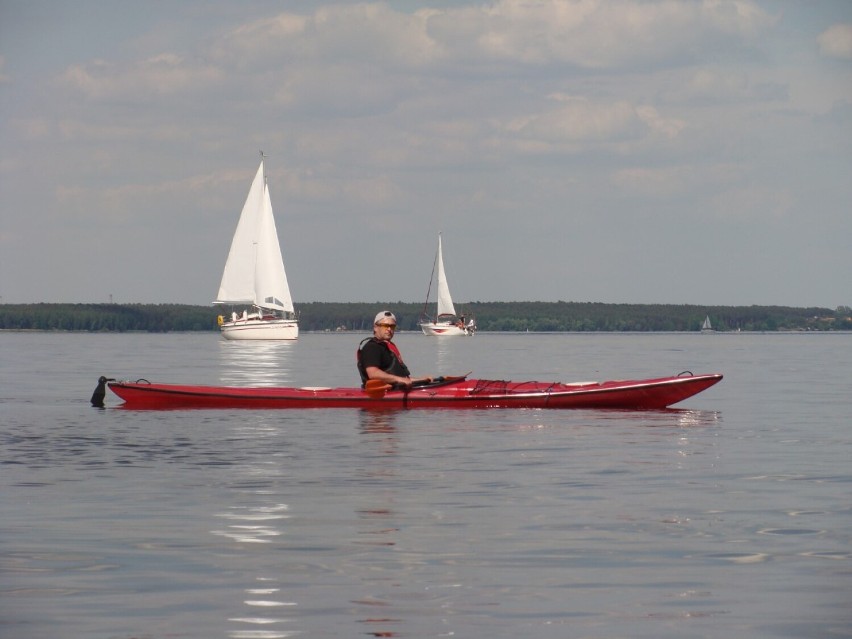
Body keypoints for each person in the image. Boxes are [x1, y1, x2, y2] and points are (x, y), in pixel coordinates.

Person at [357, 310, 433, 388]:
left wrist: (422, 380)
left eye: (392, 326)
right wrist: (399, 379)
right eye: (385, 326)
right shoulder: (372, 347)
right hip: (379, 394)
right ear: (375, 327)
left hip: (395, 391)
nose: (389, 329)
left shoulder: (386, 348)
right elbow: (373, 373)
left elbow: (404, 379)